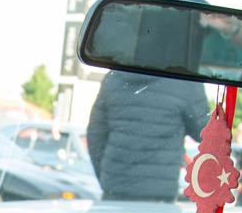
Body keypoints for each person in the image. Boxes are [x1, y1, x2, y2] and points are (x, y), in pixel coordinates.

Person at [85, 71, 209, 201]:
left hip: (114, 192)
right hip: (161, 196)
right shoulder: (185, 81)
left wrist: (108, 176)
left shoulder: (113, 78)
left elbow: (95, 135)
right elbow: (206, 132)